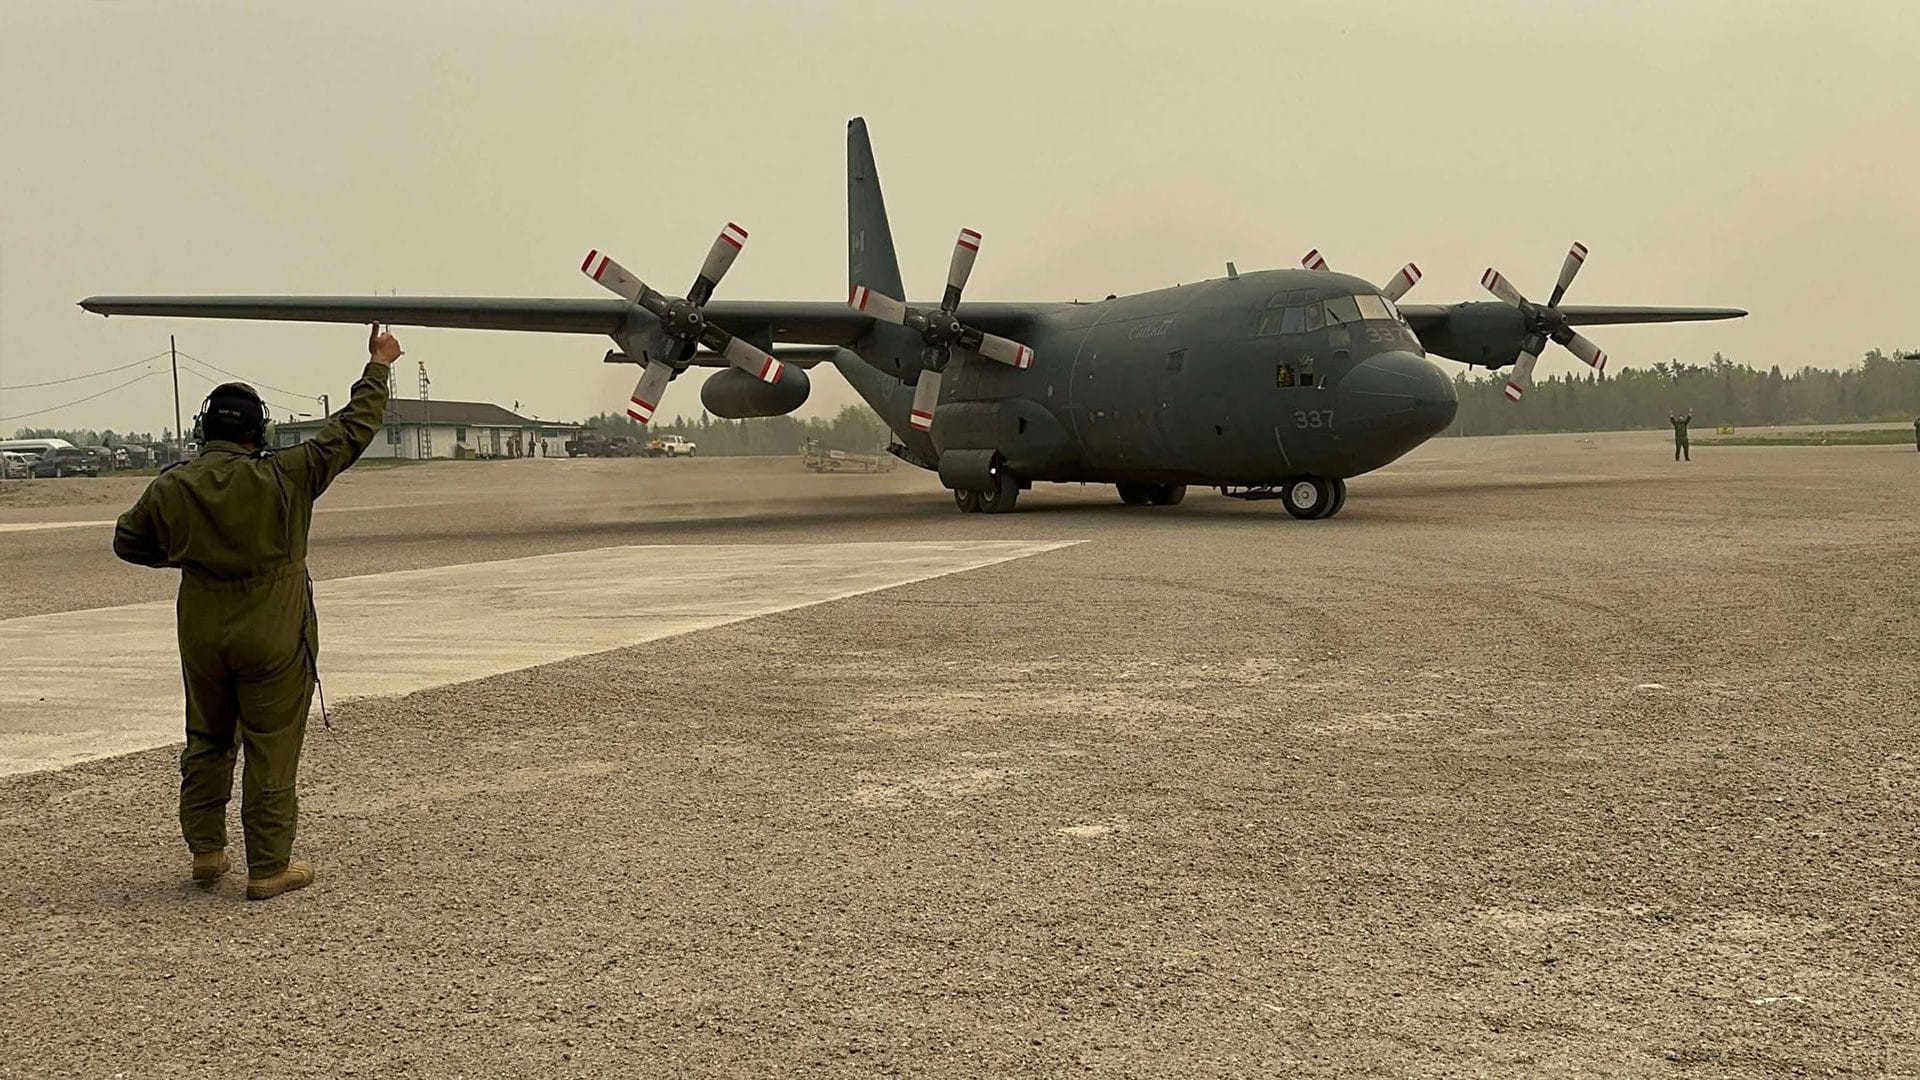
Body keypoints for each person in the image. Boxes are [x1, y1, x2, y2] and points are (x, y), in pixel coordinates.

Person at [112, 325, 400, 900]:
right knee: (270, 742)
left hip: (202, 629)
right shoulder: (286, 474)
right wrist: (378, 368)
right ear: (259, 430)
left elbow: (127, 541)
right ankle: (268, 866)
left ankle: (206, 851)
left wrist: (187, 557)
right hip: (273, 629)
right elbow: (353, 429)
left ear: (203, 430)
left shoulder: (171, 486)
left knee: (207, 736)